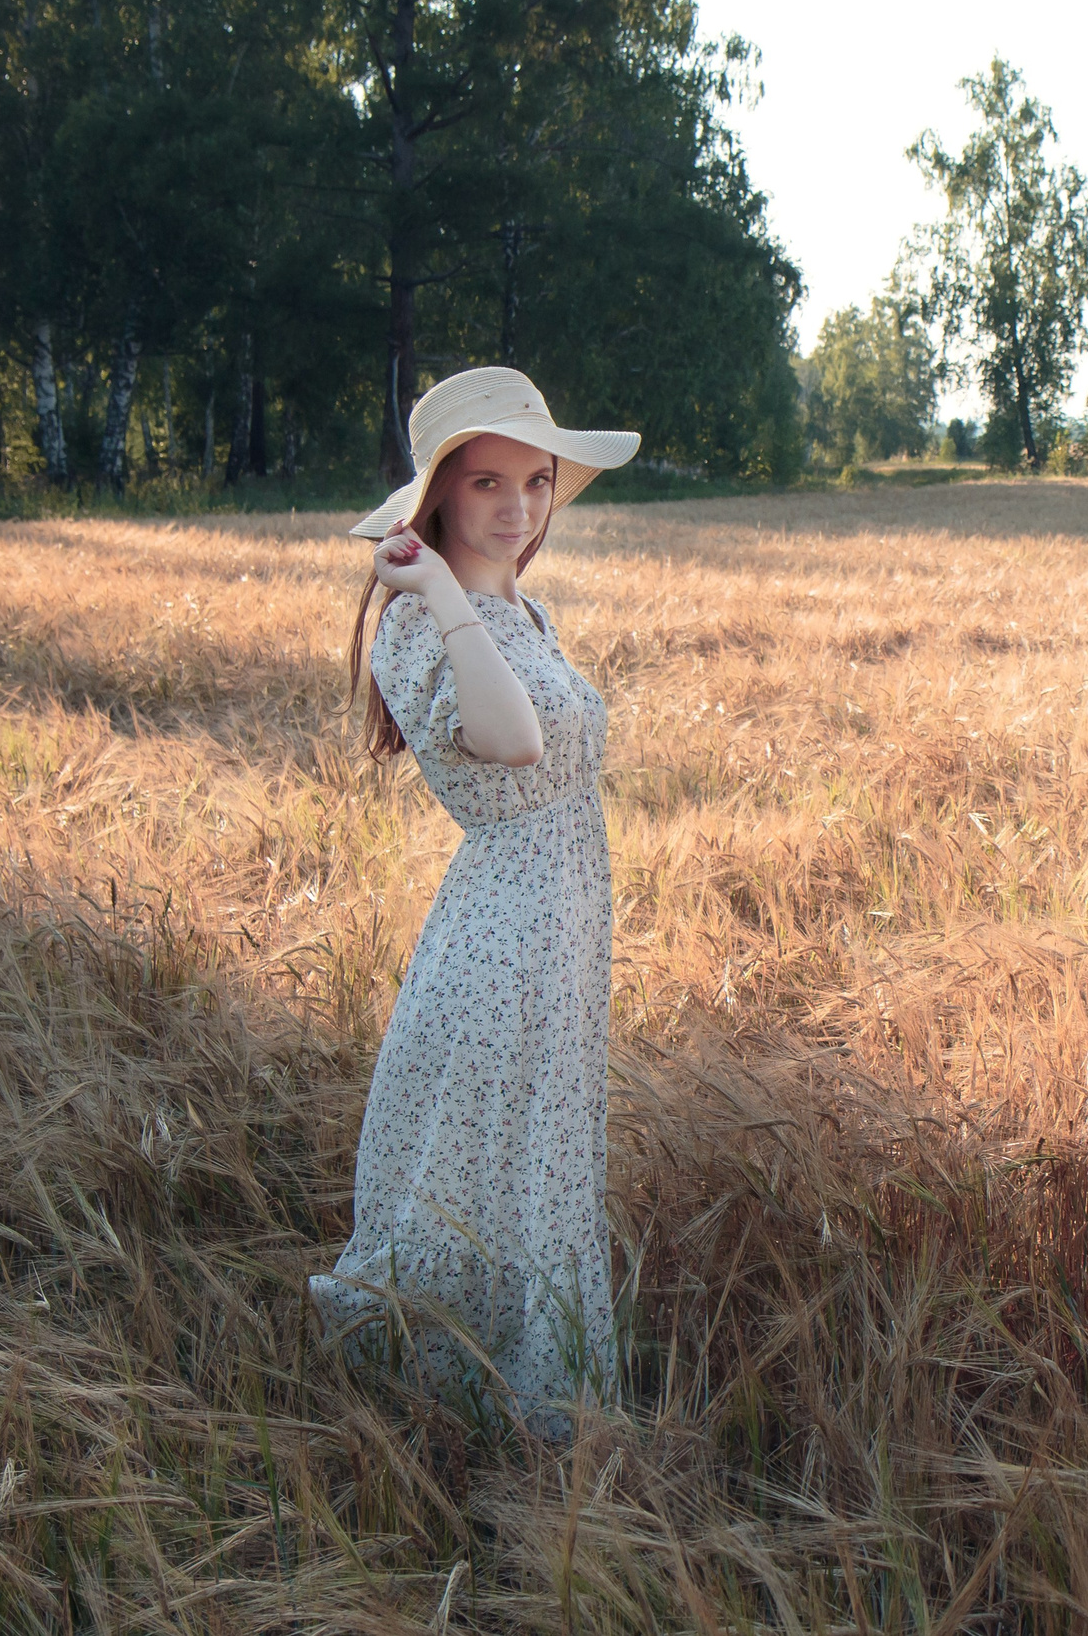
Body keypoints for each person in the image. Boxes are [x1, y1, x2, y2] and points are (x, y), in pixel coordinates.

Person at [309, 367, 639, 1435]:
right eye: (488, 481)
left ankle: (514, 1408)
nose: (517, 507)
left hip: (561, 933)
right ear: (440, 494)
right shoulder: (419, 624)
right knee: (483, 1168)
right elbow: (513, 740)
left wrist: (474, 599)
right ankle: (433, 1409)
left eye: (536, 482)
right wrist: (441, 592)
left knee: (531, 1166)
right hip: (501, 935)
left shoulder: (522, 609)